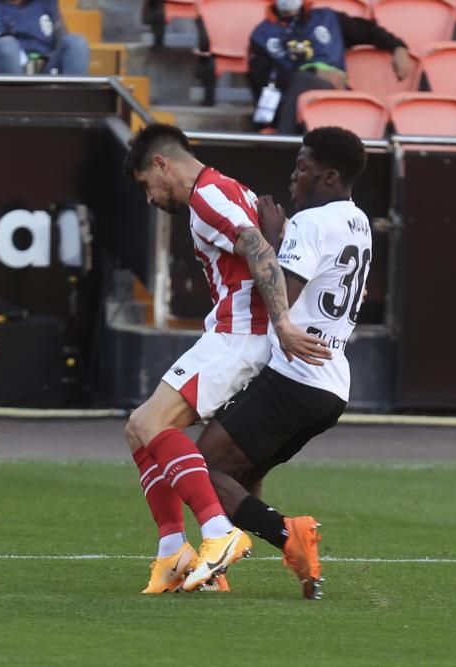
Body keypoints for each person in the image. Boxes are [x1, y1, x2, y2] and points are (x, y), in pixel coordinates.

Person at [122, 122, 331, 594]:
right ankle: (173, 550)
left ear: (161, 164)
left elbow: (258, 249)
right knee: (139, 427)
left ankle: (218, 533)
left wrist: (281, 324)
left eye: (147, 185)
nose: (152, 197)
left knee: (153, 426)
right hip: (235, 335)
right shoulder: (226, 188)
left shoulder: (207, 196)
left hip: (239, 337)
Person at [196, 126, 371, 600]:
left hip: (296, 376)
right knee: (244, 477)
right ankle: (218, 566)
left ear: (330, 175)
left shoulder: (311, 224)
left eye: (303, 167)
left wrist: (273, 240)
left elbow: (282, 300)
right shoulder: (358, 222)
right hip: (329, 386)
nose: (294, 176)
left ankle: (290, 537)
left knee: (201, 466)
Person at [249, 0, 414, 134]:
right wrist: (314, 72)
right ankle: (284, 148)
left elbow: (369, 31)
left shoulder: (329, 19)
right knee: (302, 80)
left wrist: (398, 48)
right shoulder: (261, 35)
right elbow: (263, 79)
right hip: (286, 101)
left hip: (333, 92)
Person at [0, 0, 90, 75]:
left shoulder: (46, 3)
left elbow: (62, 49)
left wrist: (39, 63)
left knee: (76, 42)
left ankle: (76, 110)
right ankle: (16, 111)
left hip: (43, 72)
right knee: (7, 46)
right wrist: (1, 60)